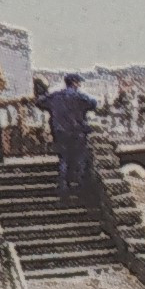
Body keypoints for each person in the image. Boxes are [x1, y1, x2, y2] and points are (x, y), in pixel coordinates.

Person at [36, 73, 98, 203]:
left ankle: (63, 188)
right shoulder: (80, 96)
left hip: (59, 132)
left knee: (63, 158)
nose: (79, 85)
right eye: (78, 82)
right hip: (77, 132)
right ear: (75, 83)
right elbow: (93, 103)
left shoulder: (55, 96)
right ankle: (79, 189)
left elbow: (40, 102)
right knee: (79, 160)